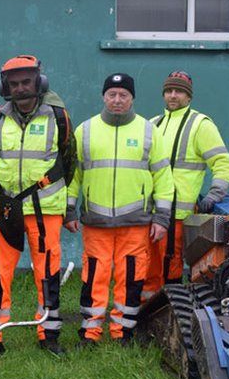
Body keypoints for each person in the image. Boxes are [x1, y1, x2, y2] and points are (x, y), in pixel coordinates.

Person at [0, 55, 75, 358]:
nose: (20, 88)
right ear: (5, 86)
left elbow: (69, 162)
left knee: (47, 271)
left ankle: (49, 334)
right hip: (6, 206)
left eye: (26, 82)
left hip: (45, 208)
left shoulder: (58, 116)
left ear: (39, 82)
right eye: (14, 83)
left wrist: (63, 202)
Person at [65, 73, 174, 344]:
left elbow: (163, 177)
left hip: (136, 222)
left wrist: (162, 218)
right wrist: (68, 211)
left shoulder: (149, 131)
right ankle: (90, 332)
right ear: (103, 96)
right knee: (94, 276)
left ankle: (122, 332)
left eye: (123, 95)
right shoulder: (85, 130)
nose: (117, 100)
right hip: (96, 222)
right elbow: (73, 176)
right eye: (112, 94)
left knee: (131, 277)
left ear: (132, 98)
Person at [143, 71, 229, 300]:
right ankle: (144, 314)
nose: (173, 95)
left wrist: (214, 195)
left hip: (178, 214)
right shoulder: (153, 123)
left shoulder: (200, 124)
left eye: (179, 91)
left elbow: (223, 164)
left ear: (189, 96)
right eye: (169, 91)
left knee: (170, 266)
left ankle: (169, 313)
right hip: (149, 211)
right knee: (147, 265)